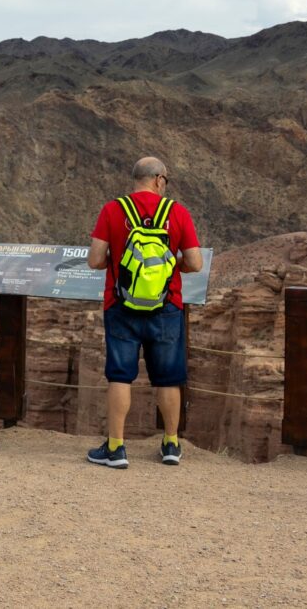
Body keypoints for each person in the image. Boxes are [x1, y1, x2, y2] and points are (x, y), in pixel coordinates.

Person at [86, 156, 203, 468]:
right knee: (168, 378)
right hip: (166, 307)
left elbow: (95, 260)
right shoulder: (177, 212)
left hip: (121, 306)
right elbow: (194, 263)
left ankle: (116, 449)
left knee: (120, 375)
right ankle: (171, 444)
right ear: (160, 180)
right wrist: (165, 266)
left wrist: (124, 261)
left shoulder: (113, 210)